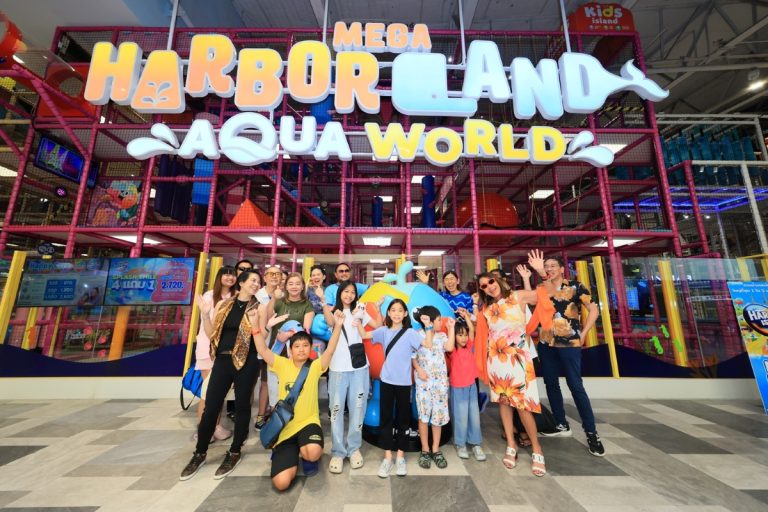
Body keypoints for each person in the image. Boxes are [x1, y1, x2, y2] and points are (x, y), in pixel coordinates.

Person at [474, 250, 553, 477]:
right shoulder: (486, 311)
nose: (489, 287)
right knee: (504, 404)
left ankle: (537, 449)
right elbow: (483, 338)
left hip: (519, 359)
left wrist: (541, 272)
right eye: (484, 286)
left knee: (523, 406)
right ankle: (511, 443)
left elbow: (547, 294)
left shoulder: (517, 297)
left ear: (498, 281)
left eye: (491, 282)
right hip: (496, 361)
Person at [180, 270, 262, 481]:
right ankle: (200, 453)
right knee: (211, 406)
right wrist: (205, 314)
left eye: (258, 281)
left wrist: (258, 325)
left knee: (243, 406)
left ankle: (235, 451)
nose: (256, 284)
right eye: (252, 280)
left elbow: (261, 337)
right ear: (241, 283)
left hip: (248, 361)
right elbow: (211, 334)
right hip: (223, 360)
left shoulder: (258, 307)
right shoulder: (223, 305)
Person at [255, 310, 346, 490]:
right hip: (286, 428)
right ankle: (291, 452)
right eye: (297, 346)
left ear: (311, 349)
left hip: (308, 423)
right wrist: (254, 326)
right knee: (281, 483)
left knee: (312, 453)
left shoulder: (315, 366)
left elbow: (330, 349)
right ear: (290, 350)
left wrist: (338, 326)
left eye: (305, 345)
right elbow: (262, 350)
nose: (301, 349)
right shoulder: (281, 364)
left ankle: (307, 457)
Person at [535, 256, 605, 457]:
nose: (549, 269)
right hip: (546, 342)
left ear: (561, 269)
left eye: (552, 266)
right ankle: (561, 424)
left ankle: (591, 433)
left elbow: (593, 309)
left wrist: (584, 333)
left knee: (575, 385)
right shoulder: (542, 287)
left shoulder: (576, 286)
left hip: (569, 343)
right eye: (546, 266)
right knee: (551, 383)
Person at [359, 299, 432, 478]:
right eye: (393, 310)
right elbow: (364, 334)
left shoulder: (410, 333)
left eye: (400, 310)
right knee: (385, 419)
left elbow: (428, 344)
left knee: (403, 421)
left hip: (404, 383)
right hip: (386, 381)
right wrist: (358, 318)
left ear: (405, 313)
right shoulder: (383, 331)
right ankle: (387, 457)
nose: (397, 313)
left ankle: (400, 456)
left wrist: (428, 326)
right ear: (389, 313)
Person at [322, 280, 379, 474]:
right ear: (340, 293)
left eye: (352, 292)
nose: (349, 295)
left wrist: (376, 309)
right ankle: (338, 452)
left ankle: (354, 449)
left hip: (359, 367)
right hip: (337, 368)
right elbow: (330, 323)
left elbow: (378, 326)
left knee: (358, 409)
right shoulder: (334, 311)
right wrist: (323, 302)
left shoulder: (360, 310)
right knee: (336, 410)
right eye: (345, 291)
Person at [194, 265, 237, 441]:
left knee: (219, 392)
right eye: (226, 274)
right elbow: (208, 323)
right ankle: (203, 429)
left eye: (232, 275)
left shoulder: (235, 296)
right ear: (219, 277)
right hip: (207, 347)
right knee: (208, 392)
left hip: (225, 350)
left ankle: (215, 425)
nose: (230, 278)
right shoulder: (209, 295)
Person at [411, 305, 454, 470]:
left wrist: (451, 329)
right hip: (423, 384)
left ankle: (436, 449)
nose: (440, 322)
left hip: (440, 384)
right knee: (423, 416)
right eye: (438, 320)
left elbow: (449, 348)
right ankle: (425, 449)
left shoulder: (442, 336)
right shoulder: (417, 335)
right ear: (429, 320)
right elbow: (412, 357)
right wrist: (419, 369)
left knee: (438, 417)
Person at [450, 309, 486, 461]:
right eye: (460, 335)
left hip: (471, 386)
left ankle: (476, 443)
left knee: (474, 416)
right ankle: (460, 444)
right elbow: (450, 341)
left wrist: (466, 317)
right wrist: (452, 327)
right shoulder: (452, 350)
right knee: (461, 417)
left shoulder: (470, 346)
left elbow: (471, 329)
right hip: (458, 387)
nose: (464, 338)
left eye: (465, 335)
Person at [253, 265, 282, 428]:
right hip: (261, 345)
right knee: (264, 382)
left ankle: (276, 413)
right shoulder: (257, 295)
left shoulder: (284, 294)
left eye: (278, 274)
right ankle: (260, 415)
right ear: (264, 277)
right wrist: (274, 299)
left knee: (277, 382)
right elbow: (267, 317)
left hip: (279, 345)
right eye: (271, 274)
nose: (274, 276)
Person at [266, 273, 315, 357]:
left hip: (296, 351)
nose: (294, 287)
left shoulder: (307, 304)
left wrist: (288, 334)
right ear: (286, 287)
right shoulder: (279, 302)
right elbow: (268, 317)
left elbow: (306, 329)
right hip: (276, 348)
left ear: (302, 287)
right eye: (291, 284)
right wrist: (274, 298)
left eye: (298, 284)